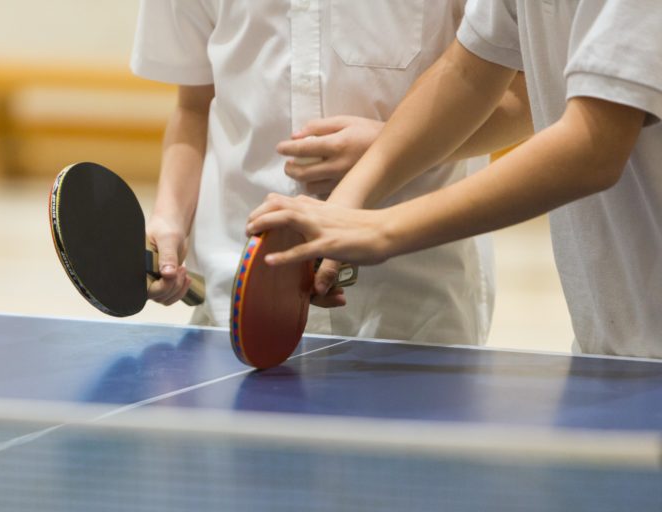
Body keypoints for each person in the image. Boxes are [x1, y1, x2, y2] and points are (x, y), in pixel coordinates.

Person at [247, 0, 662, 358]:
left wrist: (383, 229)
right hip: (619, 340)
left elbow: (594, 146)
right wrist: (344, 205)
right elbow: (469, 71)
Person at [131, 0, 531, 344]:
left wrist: (395, 143)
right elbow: (194, 106)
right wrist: (170, 218)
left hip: (413, 306)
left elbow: (527, 99)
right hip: (236, 296)